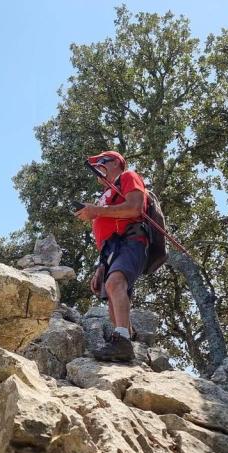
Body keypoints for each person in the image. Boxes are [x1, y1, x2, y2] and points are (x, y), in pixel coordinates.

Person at [75, 150, 148, 361]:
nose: (98, 170)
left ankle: (123, 340)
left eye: (102, 164)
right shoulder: (107, 193)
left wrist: (96, 211)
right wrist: (100, 266)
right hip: (111, 248)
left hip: (131, 240)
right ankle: (121, 343)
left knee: (116, 283)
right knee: (111, 290)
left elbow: (134, 208)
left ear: (115, 163)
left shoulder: (127, 177)